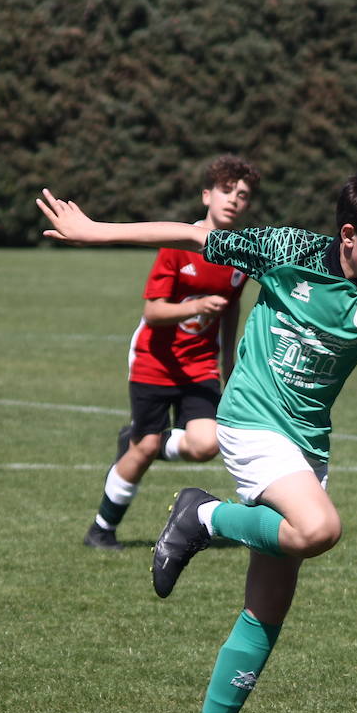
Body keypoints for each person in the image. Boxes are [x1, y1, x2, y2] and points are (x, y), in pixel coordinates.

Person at [38, 171, 357, 713]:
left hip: (307, 445)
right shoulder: (290, 251)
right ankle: (202, 516)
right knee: (318, 530)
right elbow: (191, 233)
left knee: (268, 606)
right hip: (252, 422)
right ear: (347, 234)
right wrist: (96, 231)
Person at [83, 155, 261, 551]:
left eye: (243, 195)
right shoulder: (179, 245)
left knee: (206, 444)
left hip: (199, 365)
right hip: (155, 360)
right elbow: (153, 311)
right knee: (143, 448)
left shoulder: (241, 253)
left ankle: (142, 440)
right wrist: (195, 307)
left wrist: (227, 363)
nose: (233, 200)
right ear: (206, 196)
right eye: (226, 191)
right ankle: (101, 529)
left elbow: (230, 306)